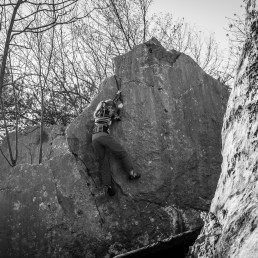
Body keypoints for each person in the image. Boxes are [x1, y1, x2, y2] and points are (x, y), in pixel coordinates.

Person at [92, 94, 140, 196]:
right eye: (112, 109)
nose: (112, 110)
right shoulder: (106, 110)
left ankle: (108, 186)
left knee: (104, 162)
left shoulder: (99, 112)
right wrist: (119, 107)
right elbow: (113, 110)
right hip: (102, 135)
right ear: (109, 107)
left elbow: (113, 113)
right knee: (121, 152)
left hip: (94, 138)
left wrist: (117, 97)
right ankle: (131, 173)